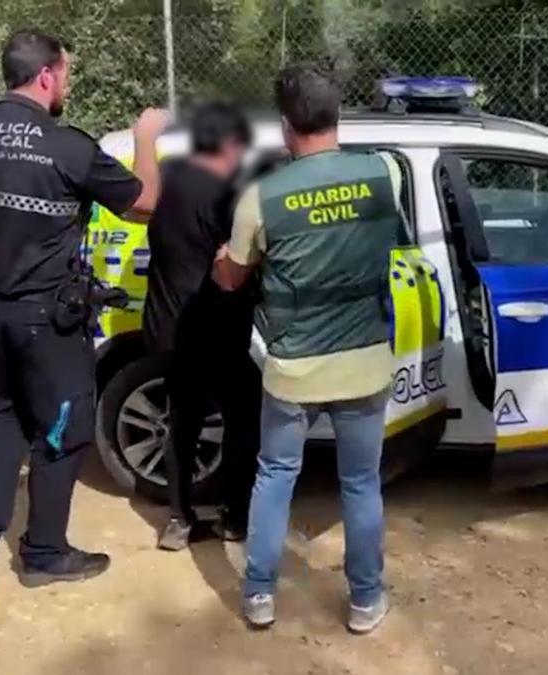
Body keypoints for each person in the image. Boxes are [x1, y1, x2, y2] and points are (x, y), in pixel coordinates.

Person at [0, 29, 170, 590]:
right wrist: (146, 139)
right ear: (46, 75)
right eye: (67, 73)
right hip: (49, 320)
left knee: (8, 417)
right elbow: (147, 204)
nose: (68, 82)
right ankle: (43, 553)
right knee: (65, 428)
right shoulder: (66, 146)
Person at [213, 64, 408, 634]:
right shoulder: (383, 176)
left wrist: (222, 260)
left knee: (274, 475)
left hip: (294, 369)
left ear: (284, 127)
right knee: (361, 484)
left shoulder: (262, 196)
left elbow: (232, 279)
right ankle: (367, 600)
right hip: (365, 362)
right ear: (337, 116)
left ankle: (258, 596)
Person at [142, 102, 260, 551]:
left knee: (182, 421)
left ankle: (178, 519)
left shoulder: (167, 175)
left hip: (167, 327)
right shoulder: (232, 191)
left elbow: (140, 200)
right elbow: (238, 264)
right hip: (217, 327)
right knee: (244, 417)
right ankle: (234, 515)